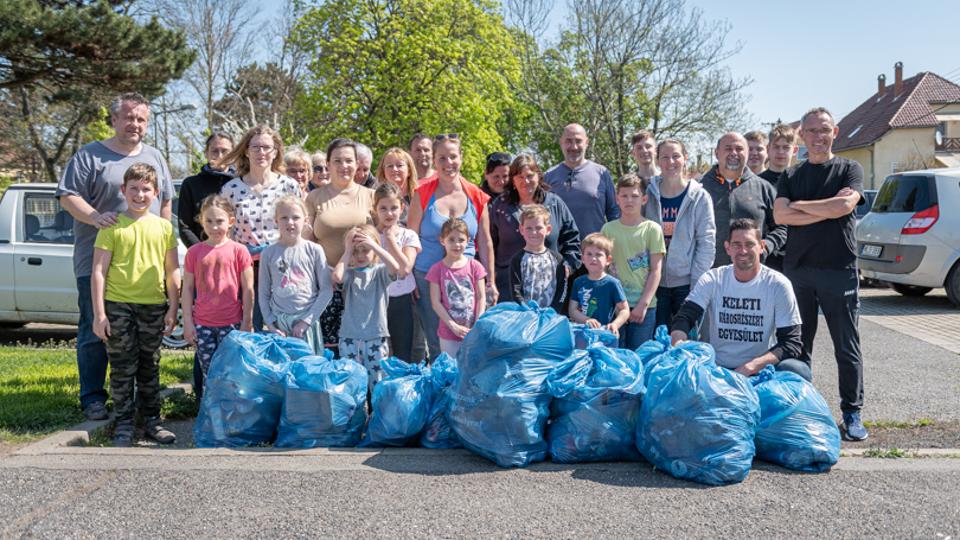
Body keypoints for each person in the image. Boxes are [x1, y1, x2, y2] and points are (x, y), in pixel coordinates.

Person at [57, 92, 175, 421]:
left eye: (141, 119)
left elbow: (165, 202)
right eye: (128, 117)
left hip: (145, 268)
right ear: (114, 120)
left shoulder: (155, 156)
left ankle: (135, 397)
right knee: (96, 329)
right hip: (97, 262)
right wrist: (96, 217)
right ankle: (93, 397)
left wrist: (162, 245)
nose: (134, 124)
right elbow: (67, 196)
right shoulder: (89, 156)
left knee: (140, 337)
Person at [773, 107, 868, 441]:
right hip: (798, 270)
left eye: (823, 129)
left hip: (838, 269)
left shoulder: (849, 169)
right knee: (799, 347)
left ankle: (852, 413)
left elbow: (843, 207)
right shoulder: (792, 175)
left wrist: (801, 207)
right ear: (802, 135)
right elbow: (781, 215)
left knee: (847, 346)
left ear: (835, 132)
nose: (817, 136)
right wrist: (823, 208)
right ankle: (803, 411)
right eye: (810, 131)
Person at [90, 163, 180, 446]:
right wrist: (100, 314)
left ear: (156, 193)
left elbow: (172, 271)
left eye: (146, 189)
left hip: (153, 305)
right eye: (134, 189)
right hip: (118, 306)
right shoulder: (111, 225)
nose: (139, 195)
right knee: (122, 367)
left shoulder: (165, 228)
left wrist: (173, 307)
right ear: (123, 190)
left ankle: (152, 421)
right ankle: (124, 423)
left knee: (149, 366)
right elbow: (98, 271)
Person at [669, 218, 807, 381]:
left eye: (749, 244)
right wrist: (678, 345)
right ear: (728, 248)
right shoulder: (713, 279)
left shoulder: (778, 284)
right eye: (737, 245)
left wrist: (750, 367)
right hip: (716, 368)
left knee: (797, 369)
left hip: (759, 371)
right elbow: (684, 317)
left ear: (761, 246)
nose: (743, 251)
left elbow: (792, 342)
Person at [408, 134, 495, 359]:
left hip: (466, 279)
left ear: (461, 158)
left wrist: (491, 282)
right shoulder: (422, 193)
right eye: (442, 158)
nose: (448, 163)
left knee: (469, 341)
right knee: (437, 344)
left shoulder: (476, 195)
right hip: (428, 278)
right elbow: (409, 237)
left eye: (453, 157)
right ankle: (442, 391)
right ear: (434, 161)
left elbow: (485, 241)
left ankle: (465, 391)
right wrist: (408, 276)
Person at [219, 125, 302, 331]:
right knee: (250, 326)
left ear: (275, 152)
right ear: (246, 151)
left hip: (283, 265)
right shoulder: (231, 189)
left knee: (284, 326)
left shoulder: (288, 186)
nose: (261, 153)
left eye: (266, 147)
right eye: (255, 147)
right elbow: (225, 232)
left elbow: (300, 226)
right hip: (246, 267)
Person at [305, 138, 376, 355]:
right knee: (330, 347)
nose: (344, 166)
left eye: (348, 161)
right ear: (327, 164)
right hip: (326, 284)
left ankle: (366, 389)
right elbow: (307, 243)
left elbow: (379, 240)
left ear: (357, 164)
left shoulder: (371, 196)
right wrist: (324, 272)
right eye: (337, 161)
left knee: (363, 346)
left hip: (364, 284)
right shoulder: (314, 197)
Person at [181, 195, 254, 398]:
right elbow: (186, 289)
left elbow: (248, 289)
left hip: (232, 323)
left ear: (231, 221)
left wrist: (247, 321)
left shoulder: (239, 251)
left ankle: (235, 418)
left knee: (233, 373)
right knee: (209, 373)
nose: (214, 227)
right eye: (209, 221)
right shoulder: (194, 252)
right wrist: (188, 322)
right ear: (201, 222)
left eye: (219, 221)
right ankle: (212, 419)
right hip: (203, 324)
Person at [643, 138, 716, 329]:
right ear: (658, 161)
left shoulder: (699, 197)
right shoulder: (648, 194)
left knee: (683, 341)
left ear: (685, 158)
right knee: (654, 341)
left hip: (685, 284)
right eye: (665, 157)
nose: (671, 162)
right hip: (653, 283)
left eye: (676, 156)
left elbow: (706, 243)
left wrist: (696, 285)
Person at [490, 153, 580, 302]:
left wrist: (568, 265)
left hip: (549, 290)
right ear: (513, 180)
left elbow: (572, 239)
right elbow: (487, 244)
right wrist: (488, 278)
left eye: (530, 176)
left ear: (538, 176)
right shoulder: (500, 207)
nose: (525, 181)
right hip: (508, 291)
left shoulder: (554, 204)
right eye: (519, 176)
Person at [259, 196, 333, 355]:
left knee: (307, 372)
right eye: (284, 218)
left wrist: (306, 322)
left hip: (306, 324)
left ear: (305, 220)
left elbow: (326, 290)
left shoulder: (314, 250)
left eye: (295, 217)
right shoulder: (268, 253)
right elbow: (263, 293)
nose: (290, 222)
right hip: (280, 325)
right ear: (276, 221)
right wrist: (271, 324)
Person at [700, 132, 786, 268]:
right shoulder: (700, 188)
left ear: (746, 154)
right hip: (708, 274)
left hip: (751, 274)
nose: (734, 153)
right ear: (717, 153)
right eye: (728, 148)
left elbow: (783, 226)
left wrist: (767, 246)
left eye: (739, 149)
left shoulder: (764, 188)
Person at [333, 224, 401, 388]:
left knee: (377, 382)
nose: (361, 255)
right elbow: (337, 276)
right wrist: (348, 250)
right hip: (350, 337)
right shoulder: (349, 273)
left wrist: (374, 246)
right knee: (352, 383)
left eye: (365, 250)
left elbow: (396, 267)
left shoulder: (380, 272)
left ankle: (375, 413)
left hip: (375, 337)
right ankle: (357, 414)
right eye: (356, 251)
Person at [601, 173, 665, 348]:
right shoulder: (608, 229)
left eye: (635, 196)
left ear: (644, 199)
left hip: (644, 307)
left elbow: (656, 270)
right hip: (615, 306)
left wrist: (643, 305)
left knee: (640, 356)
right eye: (624, 196)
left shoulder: (652, 229)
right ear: (617, 199)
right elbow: (602, 270)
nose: (629, 200)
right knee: (615, 355)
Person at [373, 183, 423, 362]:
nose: (389, 213)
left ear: (402, 208)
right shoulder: (369, 236)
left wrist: (392, 242)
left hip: (402, 300)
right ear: (375, 209)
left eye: (394, 208)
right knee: (379, 352)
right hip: (376, 301)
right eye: (383, 208)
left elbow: (405, 269)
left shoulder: (408, 235)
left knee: (404, 352)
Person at [544, 123, 619, 238]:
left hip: (595, 251)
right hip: (560, 252)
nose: (574, 147)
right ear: (561, 142)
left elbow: (614, 213)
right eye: (569, 141)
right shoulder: (548, 176)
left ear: (587, 143)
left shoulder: (602, 174)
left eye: (578, 141)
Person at [426, 218, 487, 357]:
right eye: (451, 239)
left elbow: (481, 296)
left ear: (468, 240)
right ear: (442, 240)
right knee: (452, 371)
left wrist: (478, 323)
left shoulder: (475, 266)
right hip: (448, 333)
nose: (456, 244)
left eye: (461, 239)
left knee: (473, 369)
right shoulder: (436, 270)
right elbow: (435, 302)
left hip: (474, 330)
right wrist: (453, 326)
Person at [178, 132, 235, 247]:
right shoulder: (191, 184)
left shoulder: (241, 183)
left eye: (225, 151)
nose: (220, 155)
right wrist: (200, 252)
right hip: (203, 256)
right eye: (214, 151)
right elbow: (185, 226)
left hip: (236, 256)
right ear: (206, 153)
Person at [568, 232, 630, 337]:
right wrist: (586, 320)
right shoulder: (578, 282)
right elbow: (572, 310)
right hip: (582, 335)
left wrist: (615, 324)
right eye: (589, 254)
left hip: (605, 334)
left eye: (598, 255)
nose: (593, 258)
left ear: (608, 260)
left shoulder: (613, 283)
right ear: (582, 258)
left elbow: (625, 310)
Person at [509, 205, 567, 311]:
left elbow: (562, 289)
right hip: (526, 315)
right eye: (529, 228)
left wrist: (554, 310)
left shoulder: (557, 259)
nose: (534, 232)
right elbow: (515, 289)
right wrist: (526, 309)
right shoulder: (518, 259)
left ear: (548, 229)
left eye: (539, 228)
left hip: (551, 315)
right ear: (521, 230)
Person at [760, 124, 801, 271]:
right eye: (776, 147)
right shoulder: (756, 182)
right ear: (767, 148)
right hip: (768, 257)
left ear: (795, 150)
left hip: (801, 257)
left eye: (786, 147)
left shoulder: (804, 180)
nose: (781, 152)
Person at [374, 147, 418, 225]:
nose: (394, 169)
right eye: (390, 166)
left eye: (399, 165)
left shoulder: (419, 198)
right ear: (383, 171)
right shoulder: (374, 197)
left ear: (409, 171)